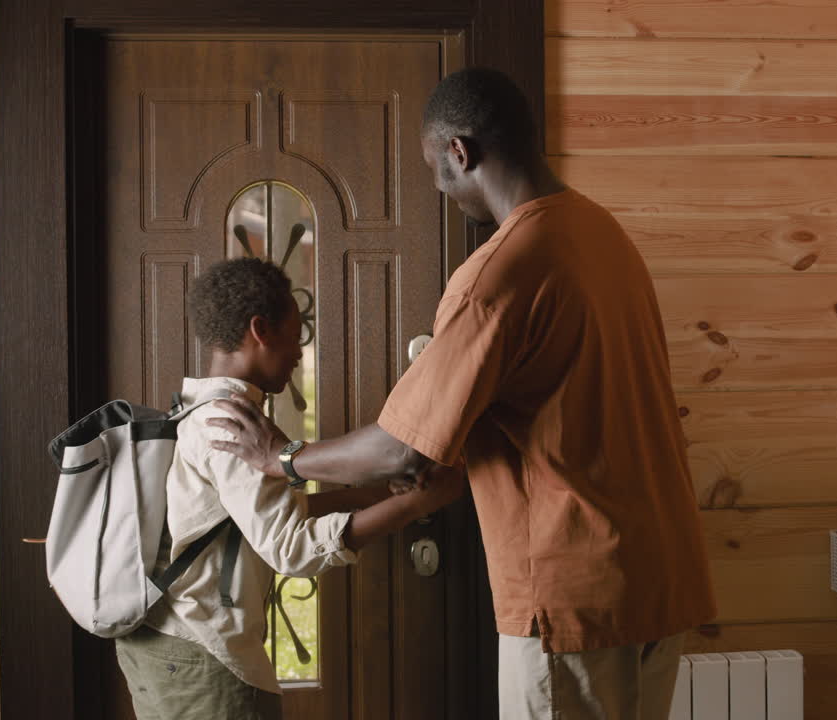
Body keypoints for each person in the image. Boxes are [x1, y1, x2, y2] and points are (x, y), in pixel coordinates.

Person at [206, 67, 717, 719]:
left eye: (434, 169)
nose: (439, 187)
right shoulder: (601, 234)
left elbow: (400, 449)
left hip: (574, 591)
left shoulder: (500, 273)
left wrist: (282, 458)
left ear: (460, 151)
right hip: (660, 575)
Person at [114, 257, 463, 720]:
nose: (300, 353)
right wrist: (421, 502)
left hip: (164, 641)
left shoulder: (199, 408)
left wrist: (374, 495)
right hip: (203, 655)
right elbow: (291, 549)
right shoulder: (230, 424)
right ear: (260, 330)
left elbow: (251, 520)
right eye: (295, 335)